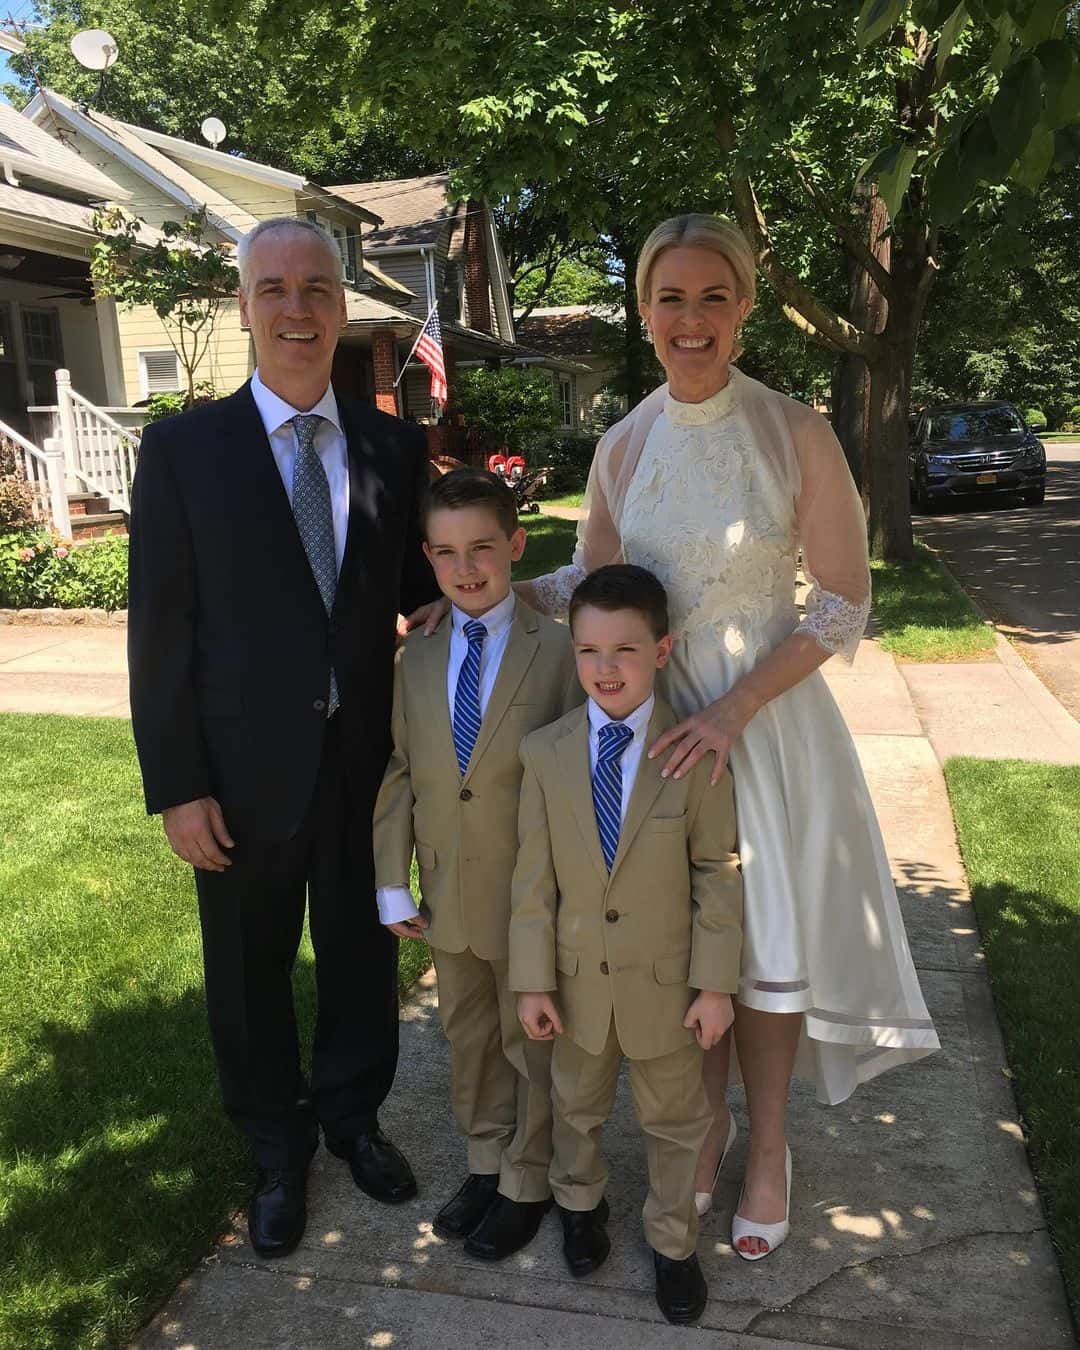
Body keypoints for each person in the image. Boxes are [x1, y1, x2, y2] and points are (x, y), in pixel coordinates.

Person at [415, 212, 941, 1260]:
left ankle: (774, 1145)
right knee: (677, 946)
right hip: (649, 732)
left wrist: (738, 708)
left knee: (766, 951)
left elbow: (841, 602)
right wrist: (488, 598)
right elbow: (592, 586)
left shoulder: (796, 432)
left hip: (766, 725)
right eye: (669, 298)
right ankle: (700, 1136)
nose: (689, 320)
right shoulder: (624, 442)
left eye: (712, 297)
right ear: (643, 311)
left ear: (745, 307)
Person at [127, 216, 438, 1259]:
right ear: (245, 303)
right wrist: (177, 786)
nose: (297, 310)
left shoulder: (395, 444)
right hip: (239, 776)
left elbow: (418, 596)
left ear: (342, 303)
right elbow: (160, 630)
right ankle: (275, 1149)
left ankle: (352, 1118)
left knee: (359, 956)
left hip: (364, 767)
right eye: (275, 290)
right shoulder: (183, 452)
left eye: (317, 288)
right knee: (250, 972)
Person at [511, 565, 743, 1325]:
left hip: (667, 989)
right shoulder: (545, 753)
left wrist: (714, 986)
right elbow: (533, 882)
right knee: (574, 1106)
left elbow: (716, 871)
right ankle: (580, 1208)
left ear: (662, 649)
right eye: (587, 652)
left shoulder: (694, 751)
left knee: (676, 1123)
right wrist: (533, 982)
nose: (604, 669)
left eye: (624, 650)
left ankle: (674, 1243)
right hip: (576, 984)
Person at [373, 468, 582, 1259]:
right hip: (448, 892)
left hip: (530, 895)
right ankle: (487, 1162)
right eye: (448, 553)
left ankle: (530, 1179)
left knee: (530, 1039)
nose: (467, 569)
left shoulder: (559, 651)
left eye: (484, 549)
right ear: (428, 557)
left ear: (516, 546)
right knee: (467, 1036)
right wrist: (393, 881)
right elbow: (402, 768)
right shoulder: (418, 656)